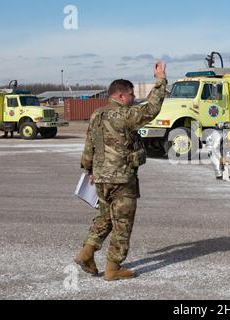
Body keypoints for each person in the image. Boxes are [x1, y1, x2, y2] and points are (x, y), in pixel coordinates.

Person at [75, 61, 167, 282]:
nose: (133, 98)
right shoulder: (125, 115)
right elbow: (151, 109)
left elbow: (89, 146)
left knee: (105, 217)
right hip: (122, 179)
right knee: (122, 223)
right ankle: (113, 268)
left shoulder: (97, 114)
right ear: (120, 96)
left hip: (100, 179)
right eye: (131, 94)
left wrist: (88, 169)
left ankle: (86, 253)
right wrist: (160, 80)